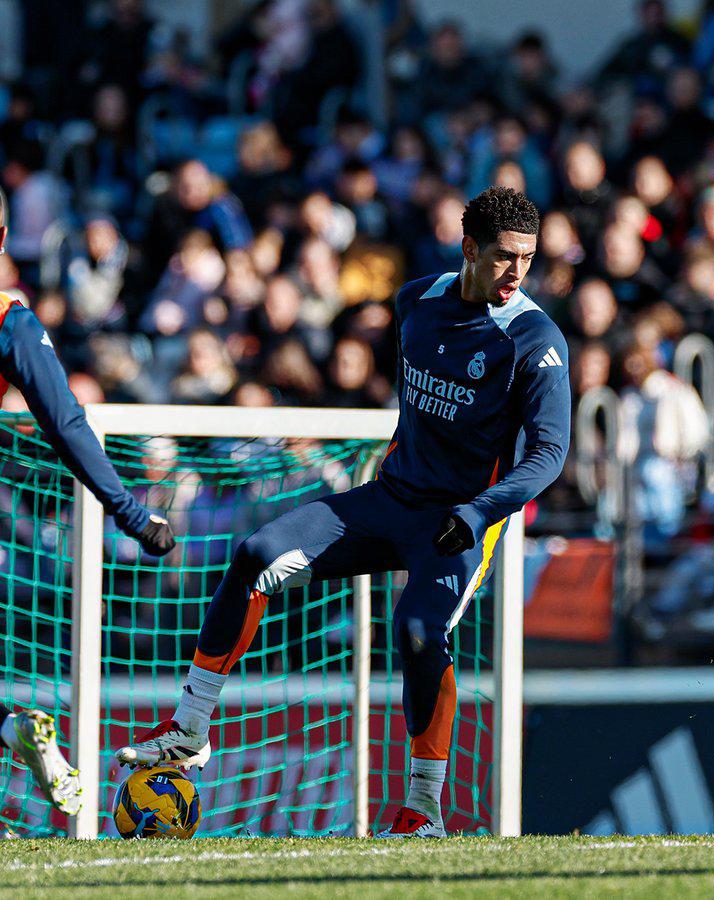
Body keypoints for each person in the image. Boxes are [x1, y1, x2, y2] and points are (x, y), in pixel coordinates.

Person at [115, 187, 571, 838]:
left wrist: (479, 511)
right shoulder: (416, 301)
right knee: (256, 555)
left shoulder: (535, 337)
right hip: (390, 499)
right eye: (504, 256)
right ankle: (189, 729)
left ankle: (423, 810)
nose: (518, 272)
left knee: (418, 630)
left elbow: (550, 453)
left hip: (458, 523)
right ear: (470, 248)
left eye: (528, 258)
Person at [0, 188, 175, 816]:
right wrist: (130, 511)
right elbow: (68, 425)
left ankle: (10, 728)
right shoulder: (9, 318)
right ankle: (11, 728)